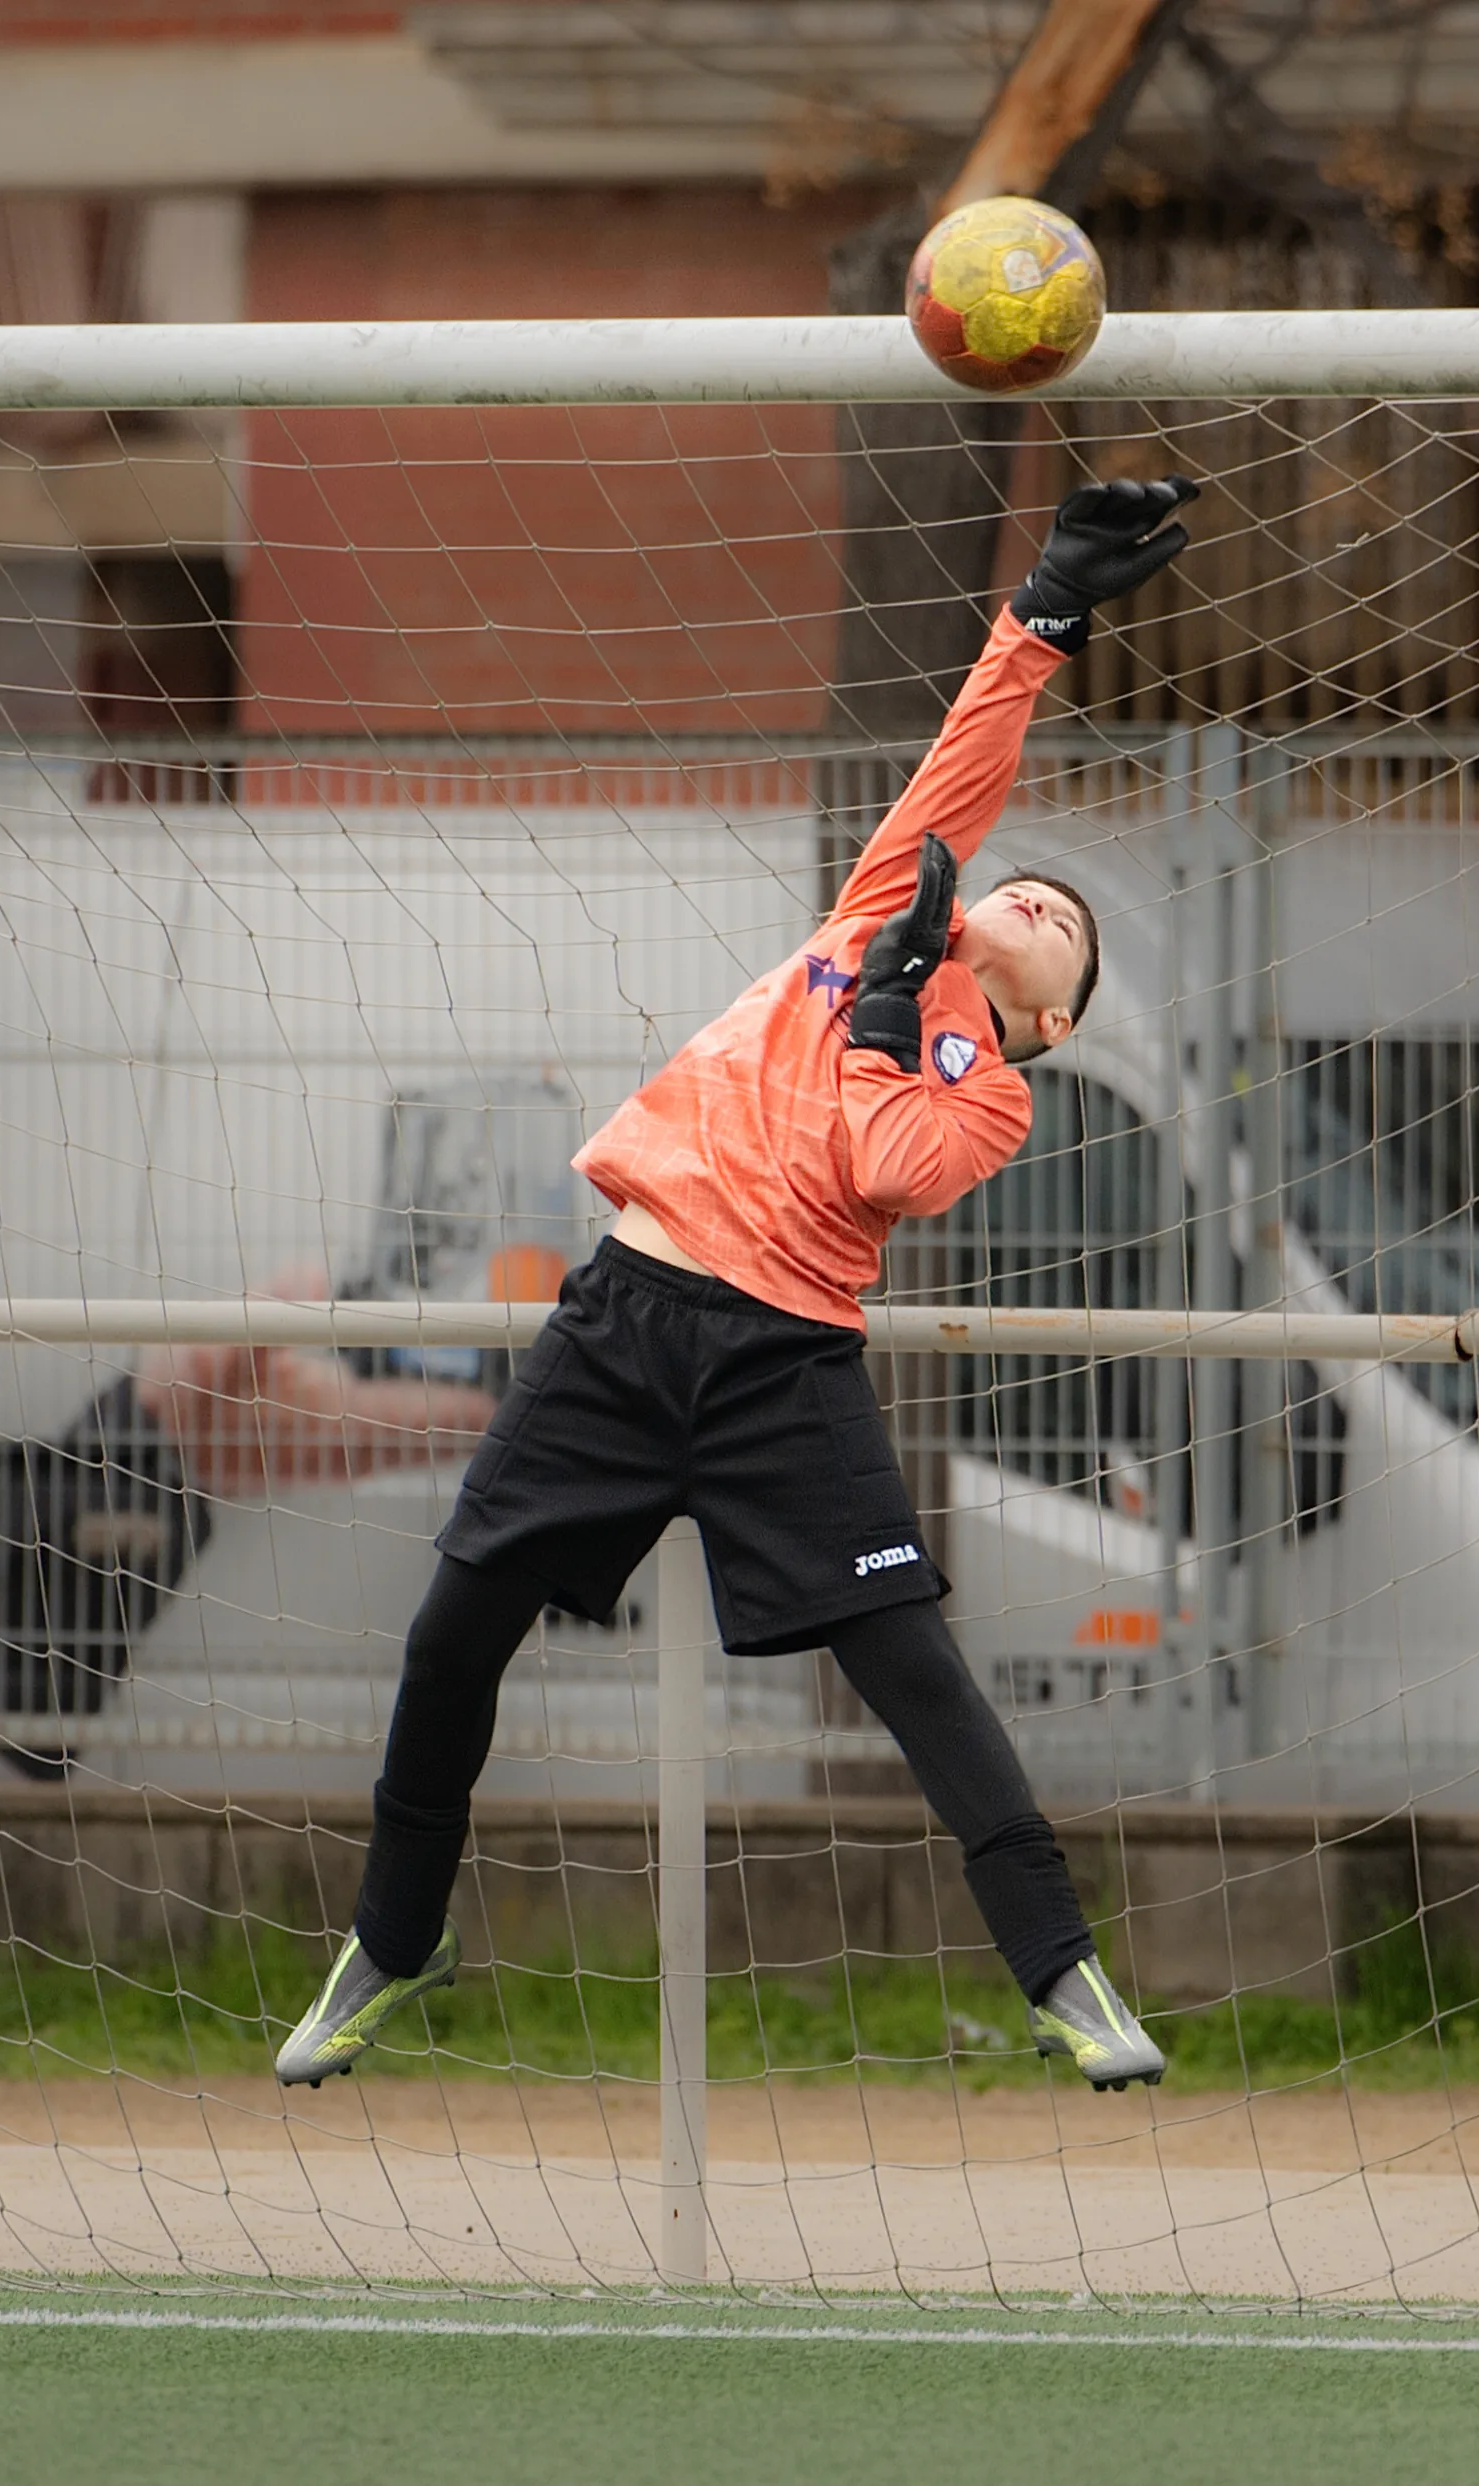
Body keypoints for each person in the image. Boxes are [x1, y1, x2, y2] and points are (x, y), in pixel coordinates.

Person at [277, 475, 1200, 2093]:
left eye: (1066, 927)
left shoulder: (991, 1090)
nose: (1038, 895)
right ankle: (391, 1941)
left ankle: (1061, 1972)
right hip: (621, 1327)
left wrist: (892, 1018)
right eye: (1032, 882)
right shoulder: (880, 914)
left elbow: (886, 1165)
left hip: (782, 1368)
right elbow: (967, 759)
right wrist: (1045, 608)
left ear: (1054, 1019)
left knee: (913, 1671)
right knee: (449, 1637)